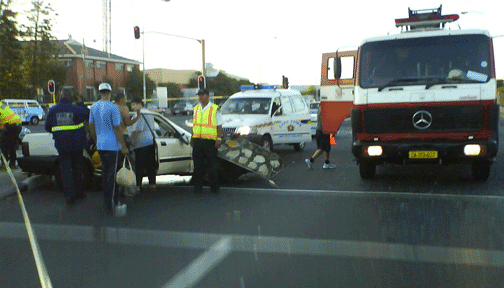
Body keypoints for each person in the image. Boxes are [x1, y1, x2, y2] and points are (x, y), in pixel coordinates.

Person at [89, 83, 128, 215]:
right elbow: (117, 128)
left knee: (105, 175)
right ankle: (112, 203)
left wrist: (96, 141)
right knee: (112, 176)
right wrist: (123, 145)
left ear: (100, 93)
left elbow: (91, 126)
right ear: (110, 93)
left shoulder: (93, 107)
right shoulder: (113, 108)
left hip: (101, 145)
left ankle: (107, 201)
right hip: (112, 146)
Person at [45, 95, 90, 204]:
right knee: (78, 168)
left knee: (65, 170)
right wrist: (80, 103)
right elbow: (87, 113)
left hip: (62, 144)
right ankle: (79, 192)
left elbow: (47, 127)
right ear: (72, 99)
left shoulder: (53, 110)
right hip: (77, 144)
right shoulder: (76, 109)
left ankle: (69, 195)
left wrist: (58, 133)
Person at [190, 88, 223, 194]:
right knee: (197, 165)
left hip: (210, 141)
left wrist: (219, 139)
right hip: (198, 140)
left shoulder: (215, 108)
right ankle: (198, 188)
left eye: (202, 95)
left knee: (212, 165)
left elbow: (219, 125)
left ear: (207, 96)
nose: (200, 97)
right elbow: (195, 125)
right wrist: (192, 138)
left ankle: (214, 187)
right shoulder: (196, 109)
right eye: (199, 95)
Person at [115, 93, 141, 196]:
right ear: (121, 99)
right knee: (130, 160)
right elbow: (128, 123)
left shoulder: (113, 108)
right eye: (125, 98)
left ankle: (118, 187)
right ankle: (129, 188)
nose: (126, 101)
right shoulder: (123, 108)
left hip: (115, 137)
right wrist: (137, 117)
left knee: (119, 163)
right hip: (124, 135)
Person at [130, 98, 157, 192]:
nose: (132, 107)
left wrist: (132, 138)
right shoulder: (149, 113)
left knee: (139, 165)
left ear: (139, 104)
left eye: (134, 105)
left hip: (141, 143)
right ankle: (152, 184)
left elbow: (138, 128)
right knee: (150, 164)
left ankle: (138, 185)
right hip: (150, 140)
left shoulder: (139, 114)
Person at [0, 100, 22, 169]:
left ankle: (4, 164)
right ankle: (12, 163)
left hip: (9, 125)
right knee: (12, 144)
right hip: (18, 124)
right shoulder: (1, 104)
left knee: (3, 144)